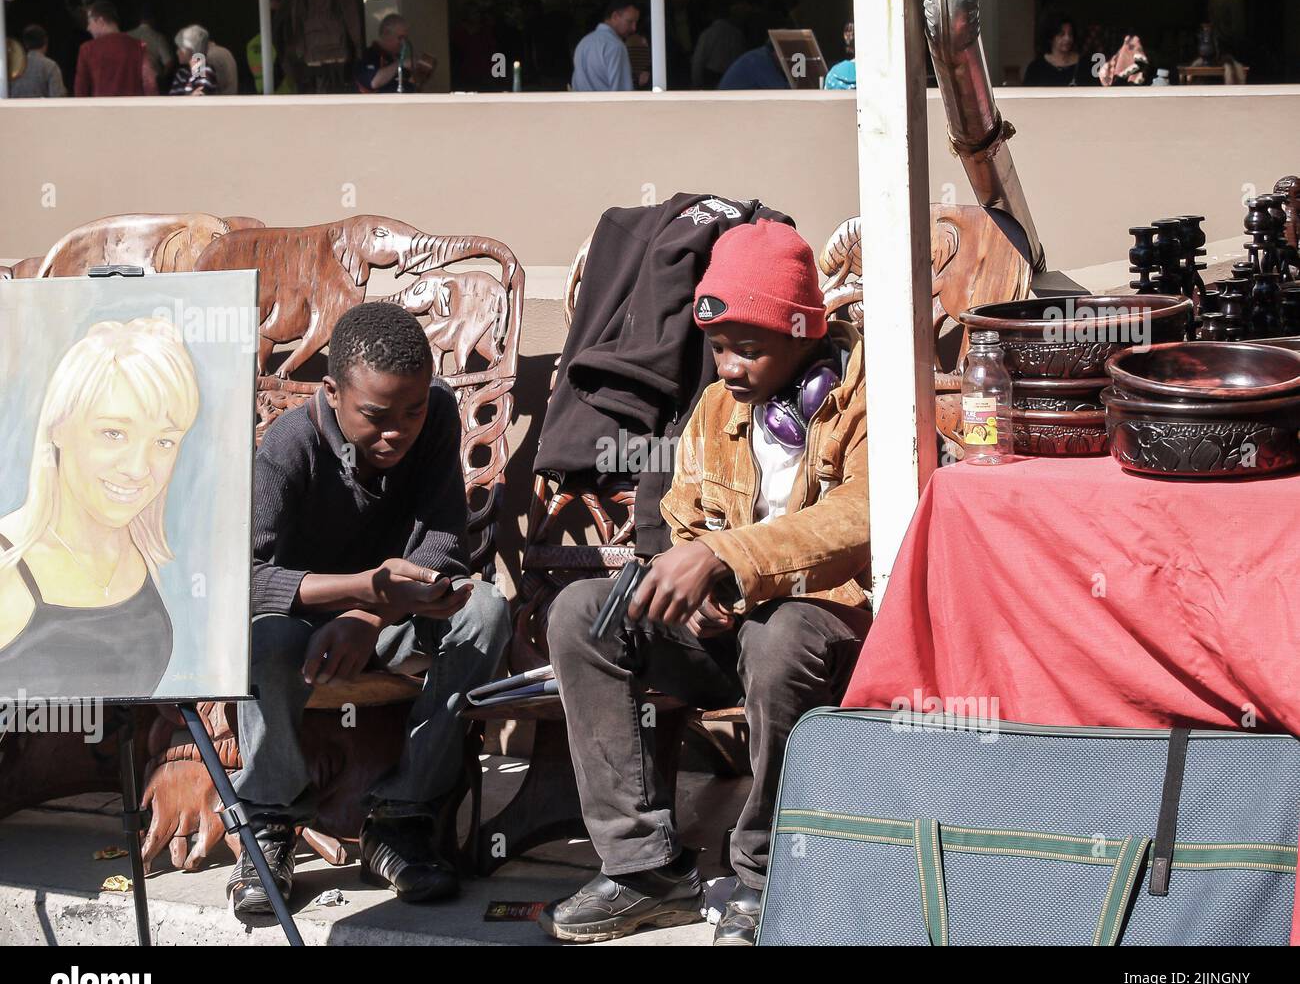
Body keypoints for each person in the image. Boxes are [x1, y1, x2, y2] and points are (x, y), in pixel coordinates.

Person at [540, 220, 870, 945]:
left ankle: (764, 870)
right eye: (719, 347)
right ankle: (643, 869)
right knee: (582, 615)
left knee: (781, 637)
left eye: (750, 349)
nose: (729, 367)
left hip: (824, 626)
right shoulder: (718, 407)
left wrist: (727, 559)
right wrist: (695, 595)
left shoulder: (862, 398)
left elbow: (860, 518)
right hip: (728, 630)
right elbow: (682, 511)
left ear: (806, 335)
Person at [226, 302, 510, 916]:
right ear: (331, 392)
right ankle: (269, 818)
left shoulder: (433, 416)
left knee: (485, 611)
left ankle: (402, 817)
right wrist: (359, 590)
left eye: (410, 412)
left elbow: (443, 543)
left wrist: (369, 615)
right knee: (259, 643)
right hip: (300, 632)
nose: (397, 433)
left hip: (390, 622)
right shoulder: (287, 447)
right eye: (376, 417)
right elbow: (241, 580)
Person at [0, 319, 200, 699]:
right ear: (58, 428)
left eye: (164, 441)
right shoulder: (7, 566)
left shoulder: (139, 554)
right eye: (114, 433)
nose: (138, 468)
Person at [74, 0, 157, 97]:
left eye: (89, 22)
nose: (88, 28)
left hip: (100, 110)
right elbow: (150, 83)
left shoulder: (86, 49)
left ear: (100, 21)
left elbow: (80, 91)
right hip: (132, 110)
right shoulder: (138, 46)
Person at [571, 0, 638, 92]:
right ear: (615, 16)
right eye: (630, 22)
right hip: (608, 106)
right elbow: (623, 94)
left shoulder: (584, 42)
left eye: (635, 23)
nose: (634, 28)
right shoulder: (616, 46)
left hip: (579, 105)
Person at [355, 13, 433, 93]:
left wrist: (420, 72)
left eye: (405, 38)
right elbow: (373, 82)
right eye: (400, 38)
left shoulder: (396, 57)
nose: (404, 43)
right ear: (386, 33)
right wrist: (400, 63)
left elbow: (411, 86)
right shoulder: (370, 55)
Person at [1022, 13, 1091, 87]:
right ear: (1050, 37)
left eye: (1070, 34)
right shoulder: (1036, 68)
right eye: (1061, 34)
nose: (1067, 38)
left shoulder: (1084, 65)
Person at [692, 2, 747, 89]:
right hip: (731, 75)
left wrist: (696, 83)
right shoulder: (737, 34)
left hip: (712, 77)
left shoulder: (707, 34)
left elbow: (698, 60)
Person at [9, 25, 67, 98]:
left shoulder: (15, 65)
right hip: (43, 109)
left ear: (25, 44)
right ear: (46, 41)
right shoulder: (51, 66)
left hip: (14, 109)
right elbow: (57, 96)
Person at [717, 39, 788, 90]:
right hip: (729, 106)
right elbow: (781, 91)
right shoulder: (760, 59)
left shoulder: (760, 56)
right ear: (777, 50)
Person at [128, 8, 172, 88]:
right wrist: (162, 79)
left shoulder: (128, 36)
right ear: (153, 20)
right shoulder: (158, 37)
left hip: (132, 79)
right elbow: (168, 62)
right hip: (153, 80)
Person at [170, 26, 217, 96]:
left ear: (190, 49)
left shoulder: (205, 71)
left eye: (180, 48)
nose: (177, 52)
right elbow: (172, 99)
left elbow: (200, 98)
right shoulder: (181, 73)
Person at [825, 21, 855, 90]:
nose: (849, 35)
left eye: (852, 31)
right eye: (847, 31)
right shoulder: (834, 73)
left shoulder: (833, 75)